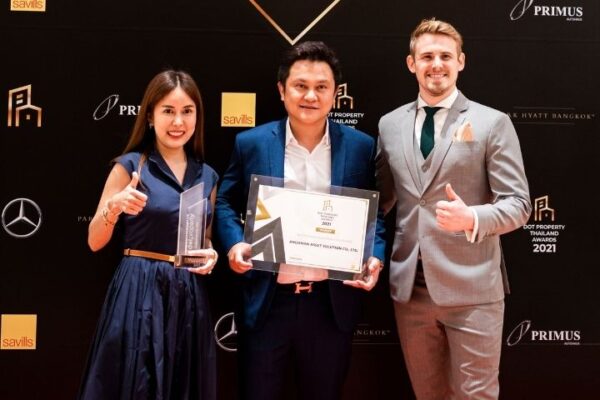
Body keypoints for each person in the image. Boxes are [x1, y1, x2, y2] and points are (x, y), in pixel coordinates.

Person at [214, 41, 386, 400]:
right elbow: (226, 202)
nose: (310, 95)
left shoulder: (360, 146)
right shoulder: (252, 143)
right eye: (300, 85)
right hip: (267, 303)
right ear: (282, 90)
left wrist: (375, 255)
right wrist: (234, 243)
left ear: (335, 93)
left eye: (321, 87)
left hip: (329, 305)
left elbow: (375, 214)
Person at [377, 19, 531, 399]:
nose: (436, 64)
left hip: (473, 289)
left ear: (461, 61)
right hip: (411, 292)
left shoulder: (492, 122)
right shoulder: (389, 125)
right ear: (411, 63)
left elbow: (519, 204)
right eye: (427, 56)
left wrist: (473, 217)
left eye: (445, 56)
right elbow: (381, 200)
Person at [78, 70, 218, 400]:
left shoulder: (208, 176)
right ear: (151, 116)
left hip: (188, 294)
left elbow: (205, 239)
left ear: (197, 117)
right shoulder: (130, 166)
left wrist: (211, 253)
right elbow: (94, 241)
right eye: (168, 111)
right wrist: (114, 207)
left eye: (187, 111)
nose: (178, 121)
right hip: (138, 289)